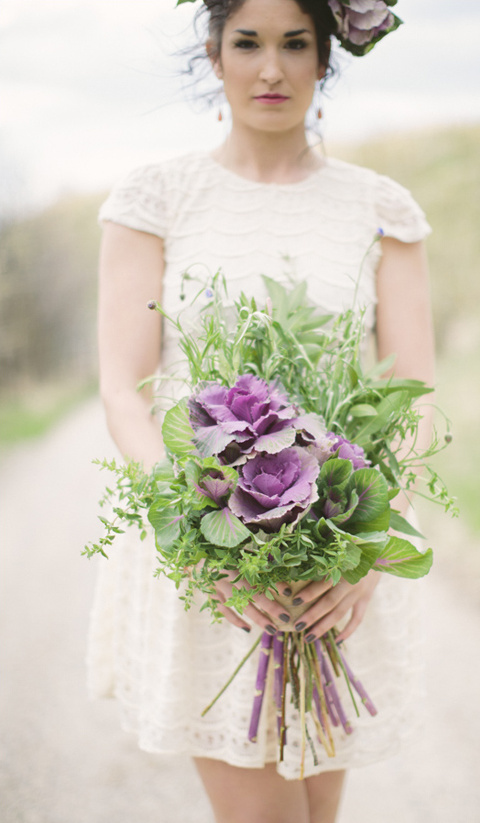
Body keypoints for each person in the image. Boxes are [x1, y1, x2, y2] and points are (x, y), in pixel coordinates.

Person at [88, 0, 435, 821]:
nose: (271, 68)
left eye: (295, 45)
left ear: (326, 60)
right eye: (248, 43)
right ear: (215, 55)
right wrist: (195, 536)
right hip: (212, 559)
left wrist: (373, 544)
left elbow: (417, 389)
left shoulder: (383, 208)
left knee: (316, 812)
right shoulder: (157, 197)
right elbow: (123, 388)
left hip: (335, 558)